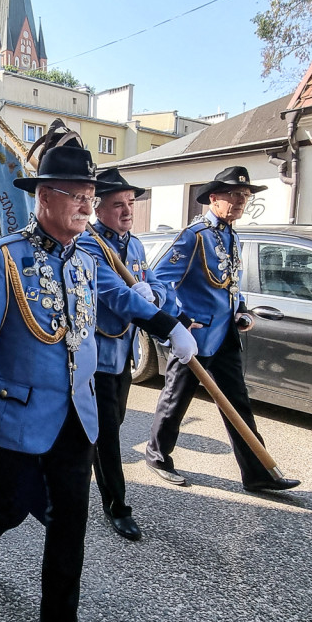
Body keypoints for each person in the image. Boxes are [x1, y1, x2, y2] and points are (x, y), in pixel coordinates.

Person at [0, 142, 182, 622]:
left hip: (77, 414)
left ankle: (59, 620)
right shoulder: (4, 256)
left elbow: (121, 299)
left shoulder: (85, 259)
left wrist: (167, 326)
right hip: (15, 415)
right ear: (43, 198)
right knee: (8, 507)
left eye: (89, 196)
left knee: (70, 522)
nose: (84, 205)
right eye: (75, 195)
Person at [146, 166, 301, 492]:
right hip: (197, 337)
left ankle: (257, 472)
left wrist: (240, 309)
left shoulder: (231, 234)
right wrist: (179, 320)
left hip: (226, 335)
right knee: (176, 399)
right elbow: (158, 279)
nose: (240, 201)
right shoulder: (194, 236)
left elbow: (228, 283)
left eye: (244, 196)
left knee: (238, 404)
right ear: (214, 197)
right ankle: (157, 455)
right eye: (234, 195)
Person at [77, 168, 195, 542]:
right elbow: (114, 294)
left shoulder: (136, 244)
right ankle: (117, 506)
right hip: (95, 356)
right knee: (107, 433)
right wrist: (167, 325)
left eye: (130, 203)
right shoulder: (90, 244)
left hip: (123, 354)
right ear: (99, 208)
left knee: (109, 425)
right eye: (118, 204)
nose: (127, 211)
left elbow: (156, 282)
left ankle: (71, 475)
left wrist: (156, 297)